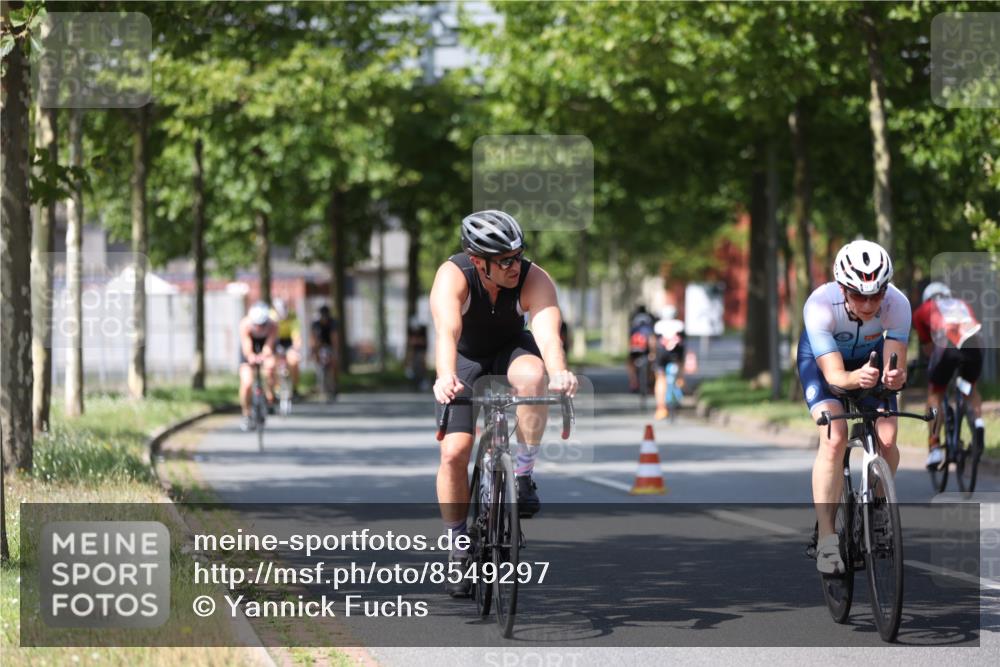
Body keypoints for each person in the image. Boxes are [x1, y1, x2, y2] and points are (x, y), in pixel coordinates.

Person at [430, 210, 577, 597]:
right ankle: (458, 546)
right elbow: (447, 331)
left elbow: (548, 336)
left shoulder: (533, 278)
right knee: (454, 453)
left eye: (519, 255)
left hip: (511, 350)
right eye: (505, 261)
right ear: (479, 262)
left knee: (534, 376)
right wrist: (445, 375)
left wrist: (559, 371)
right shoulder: (453, 276)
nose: (516, 266)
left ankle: (524, 474)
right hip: (465, 358)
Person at [797, 240, 909, 574]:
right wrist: (854, 378)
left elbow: (894, 370)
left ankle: (875, 505)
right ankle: (828, 540)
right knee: (834, 436)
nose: (869, 303)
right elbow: (834, 376)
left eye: (876, 295)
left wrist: (893, 378)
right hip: (824, 365)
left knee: (887, 438)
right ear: (843, 289)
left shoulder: (898, 304)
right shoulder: (819, 304)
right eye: (859, 295)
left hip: (868, 364)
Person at [912, 281, 985, 469]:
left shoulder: (923, 309)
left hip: (947, 346)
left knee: (935, 393)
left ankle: (935, 446)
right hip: (974, 345)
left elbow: (928, 348)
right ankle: (978, 423)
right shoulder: (962, 303)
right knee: (969, 388)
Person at [238, 301, 278, 431]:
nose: (260, 328)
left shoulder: (272, 325)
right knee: (247, 382)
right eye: (257, 325)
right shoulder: (245, 324)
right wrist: (250, 356)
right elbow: (246, 345)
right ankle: (246, 413)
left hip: (265, 348)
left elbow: (269, 344)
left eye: (262, 325)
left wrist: (264, 356)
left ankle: (270, 396)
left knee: (270, 368)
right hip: (249, 350)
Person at [653, 318, 686, 420]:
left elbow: (654, 341)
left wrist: (652, 354)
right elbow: (684, 341)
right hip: (676, 353)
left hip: (661, 353)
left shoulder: (659, 324)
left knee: (660, 378)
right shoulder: (679, 324)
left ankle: (661, 408)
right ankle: (680, 380)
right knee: (679, 367)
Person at [271, 298, 302, 399]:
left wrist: (295, 348)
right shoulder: (270, 316)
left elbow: (296, 335)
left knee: (294, 361)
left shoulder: (292, 315)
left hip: (288, 340)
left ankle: (295, 388)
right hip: (275, 339)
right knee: (272, 364)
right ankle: (275, 388)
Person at [310, 304, 340, 397]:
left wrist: (335, 352)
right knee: (317, 362)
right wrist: (314, 352)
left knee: (334, 362)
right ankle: (319, 384)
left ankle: (335, 384)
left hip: (330, 345)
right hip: (319, 345)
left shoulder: (333, 323)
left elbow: (334, 338)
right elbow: (313, 338)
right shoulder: (315, 324)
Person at [626, 305, 656, 392]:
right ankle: (651, 383)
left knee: (630, 363)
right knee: (653, 364)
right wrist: (653, 353)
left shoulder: (634, 322)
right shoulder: (650, 321)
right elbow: (652, 339)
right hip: (647, 347)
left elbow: (630, 339)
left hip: (635, 347)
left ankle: (633, 381)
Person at [405, 315, 430, 390]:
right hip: (414, 352)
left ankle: (422, 383)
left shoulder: (423, 330)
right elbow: (411, 342)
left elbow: (422, 342)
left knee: (421, 368)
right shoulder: (411, 331)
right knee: (414, 368)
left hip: (421, 352)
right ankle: (415, 384)